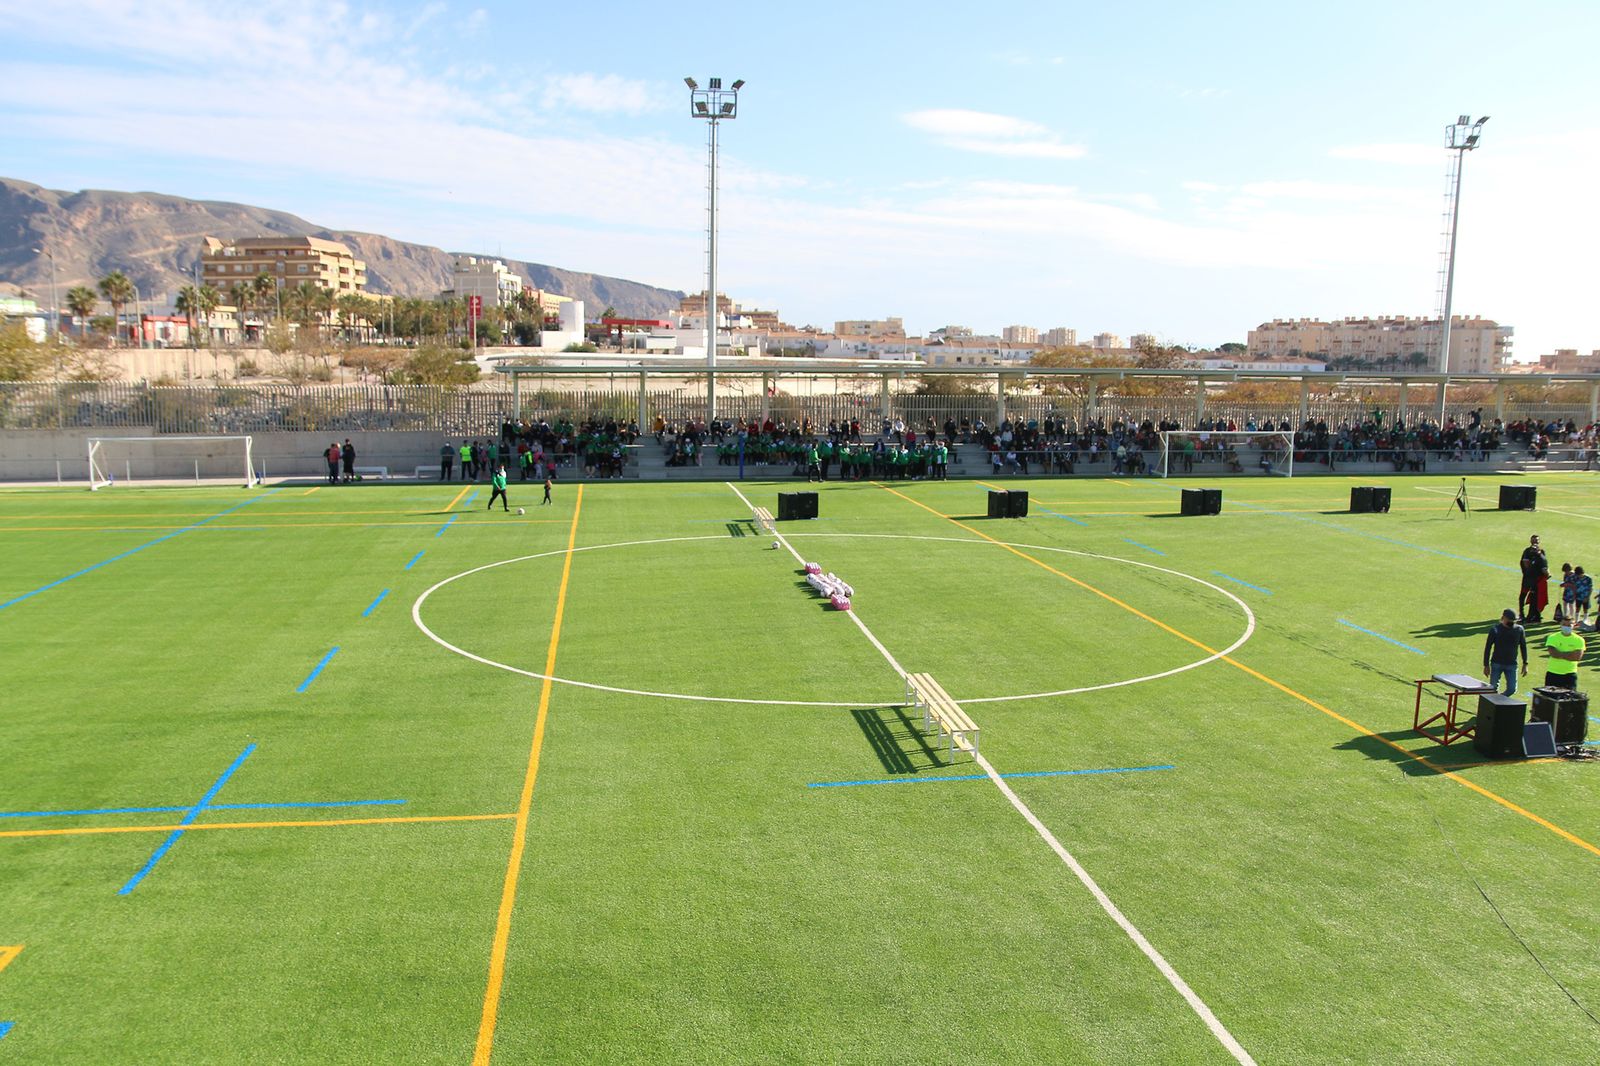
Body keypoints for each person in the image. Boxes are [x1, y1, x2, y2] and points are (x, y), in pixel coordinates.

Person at [1482, 610, 1528, 697]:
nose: (1511, 623)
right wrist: (1486, 665)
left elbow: (1523, 647)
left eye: (1513, 621)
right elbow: (1488, 647)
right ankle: (1495, 704)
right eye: (1509, 620)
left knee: (1512, 689)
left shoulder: (1519, 630)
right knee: (1493, 688)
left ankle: (1498, 701)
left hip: (1512, 664)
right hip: (1496, 663)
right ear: (1503, 618)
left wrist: (1525, 663)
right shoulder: (1495, 630)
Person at [1543, 618, 1585, 689]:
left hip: (1570, 674)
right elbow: (1553, 654)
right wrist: (1570, 654)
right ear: (1560, 625)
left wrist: (1560, 654)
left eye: (1569, 625)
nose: (1566, 627)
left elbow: (1577, 657)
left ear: (1574, 625)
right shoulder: (1553, 637)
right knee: (1549, 698)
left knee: (1570, 698)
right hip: (1553, 673)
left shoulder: (1579, 640)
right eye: (1564, 625)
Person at [1519, 534, 1549, 623]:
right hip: (1528, 579)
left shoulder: (1541, 553)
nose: (1535, 542)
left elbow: (1544, 565)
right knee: (1523, 596)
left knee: (1534, 598)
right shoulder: (1527, 551)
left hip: (1536, 580)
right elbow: (1525, 564)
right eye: (1534, 540)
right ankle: (1522, 614)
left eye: (1536, 540)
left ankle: (1534, 616)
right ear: (1530, 541)